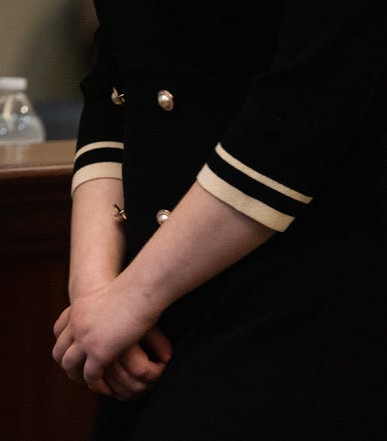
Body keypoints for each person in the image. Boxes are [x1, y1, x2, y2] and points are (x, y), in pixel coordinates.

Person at [52, 1, 387, 440]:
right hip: (149, 309)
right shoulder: (122, 310)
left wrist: (132, 298)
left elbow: (307, 108)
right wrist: (94, 293)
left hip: (297, 299)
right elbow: (112, 86)